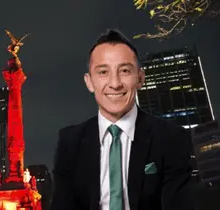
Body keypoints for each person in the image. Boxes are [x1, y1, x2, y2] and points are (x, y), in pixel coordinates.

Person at [50, 29, 196, 210]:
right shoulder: (69, 141)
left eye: (125, 70)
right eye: (103, 72)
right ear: (89, 82)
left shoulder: (171, 138)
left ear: (140, 78)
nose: (115, 83)